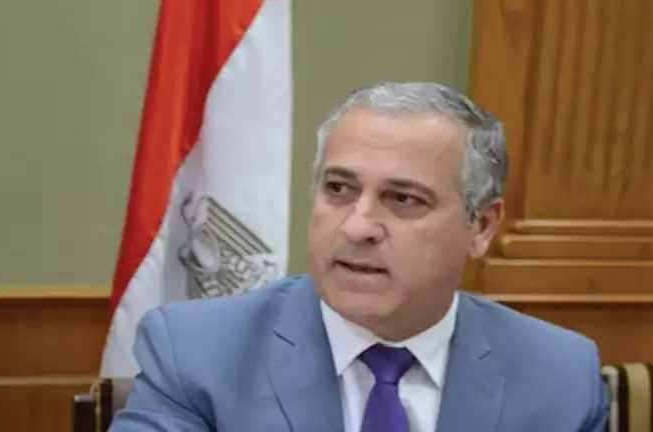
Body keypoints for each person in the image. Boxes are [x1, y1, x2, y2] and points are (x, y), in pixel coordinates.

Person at [109, 82, 608, 432]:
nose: (357, 227)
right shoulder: (197, 353)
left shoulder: (558, 375)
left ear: (480, 226)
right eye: (339, 189)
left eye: (404, 199)